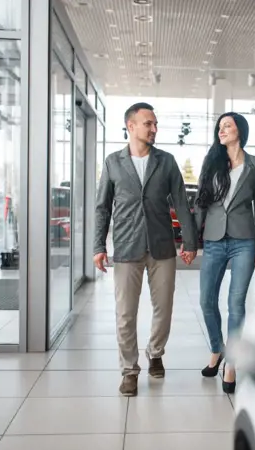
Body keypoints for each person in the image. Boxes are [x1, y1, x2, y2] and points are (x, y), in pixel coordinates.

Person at [94, 102, 198, 397]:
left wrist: (189, 243)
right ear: (131, 126)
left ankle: (155, 352)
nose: (154, 129)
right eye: (148, 123)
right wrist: (98, 246)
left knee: (163, 308)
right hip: (127, 245)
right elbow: (102, 207)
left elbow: (181, 203)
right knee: (125, 314)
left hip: (162, 245)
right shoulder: (113, 162)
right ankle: (129, 370)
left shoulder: (166, 161)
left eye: (155, 124)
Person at [194, 112, 255, 394]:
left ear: (240, 130)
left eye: (227, 125)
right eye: (219, 126)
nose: (221, 130)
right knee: (206, 301)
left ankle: (232, 364)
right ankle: (217, 349)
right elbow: (201, 202)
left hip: (244, 242)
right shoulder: (211, 161)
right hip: (213, 239)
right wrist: (191, 239)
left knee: (236, 303)